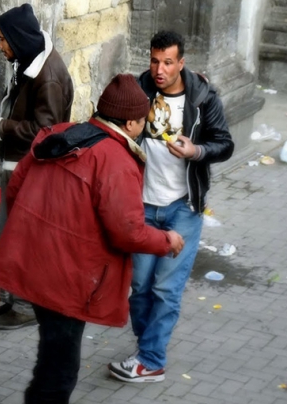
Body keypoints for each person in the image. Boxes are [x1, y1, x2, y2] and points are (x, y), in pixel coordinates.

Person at [0, 74, 186, 403]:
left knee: (51, 353)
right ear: (132, 122)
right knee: (60, 371)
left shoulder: (61, 134)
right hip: (70, 278)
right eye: (142, 121)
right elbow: (127, 232)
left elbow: (17, 188)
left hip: (36, 264)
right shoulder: (116, 161)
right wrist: (167, 241)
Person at [109, 31, 234, 383]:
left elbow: (224, 144)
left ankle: (151, 359)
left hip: (184, 207)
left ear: (181, 62)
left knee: (166, 289)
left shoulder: (203, 97)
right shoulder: (137, 89)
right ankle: (147, 348)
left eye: (167, 62)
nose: (159, 69)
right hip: (142, 207)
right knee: (140, 287)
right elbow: (111, 121)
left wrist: (196, 151)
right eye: (154, 60)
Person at [0, 3, 74, 330]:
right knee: (12, 235)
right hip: (18, 165)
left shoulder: (49, 77)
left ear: (19, 39)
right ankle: (12, 299)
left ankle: (27, 306)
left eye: (3, 40)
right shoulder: (28, 61)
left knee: (25, 237)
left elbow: (45, 132)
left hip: (32, 169)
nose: (0, 47)